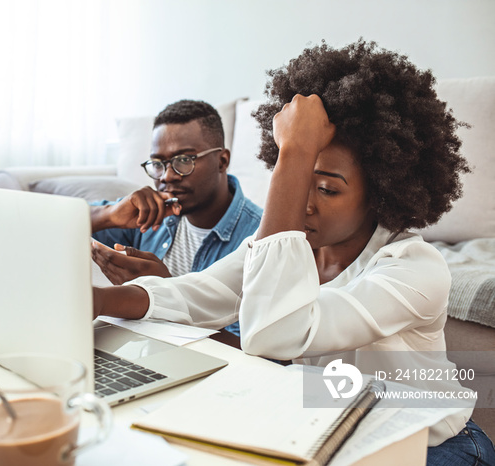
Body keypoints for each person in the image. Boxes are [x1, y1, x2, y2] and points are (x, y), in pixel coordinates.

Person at [92, 40, 494, 465]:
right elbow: (196, 294)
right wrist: (97, 301)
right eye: (297, 179)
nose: (302, 203)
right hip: (331, 427)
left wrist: (297, 151)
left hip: (432, 441)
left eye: (325, 187)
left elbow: (276, 334)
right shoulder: (294, 248)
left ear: (380, 192)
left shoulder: (413, 270)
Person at [90, 99, 263, 338]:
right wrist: (108, 215)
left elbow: (255, 351)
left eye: (184, 160)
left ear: (222, 161)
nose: (168, 176)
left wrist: (164, 294)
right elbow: (62, 221)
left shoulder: (259, 237)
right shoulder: (149, 214)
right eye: (158, 164)